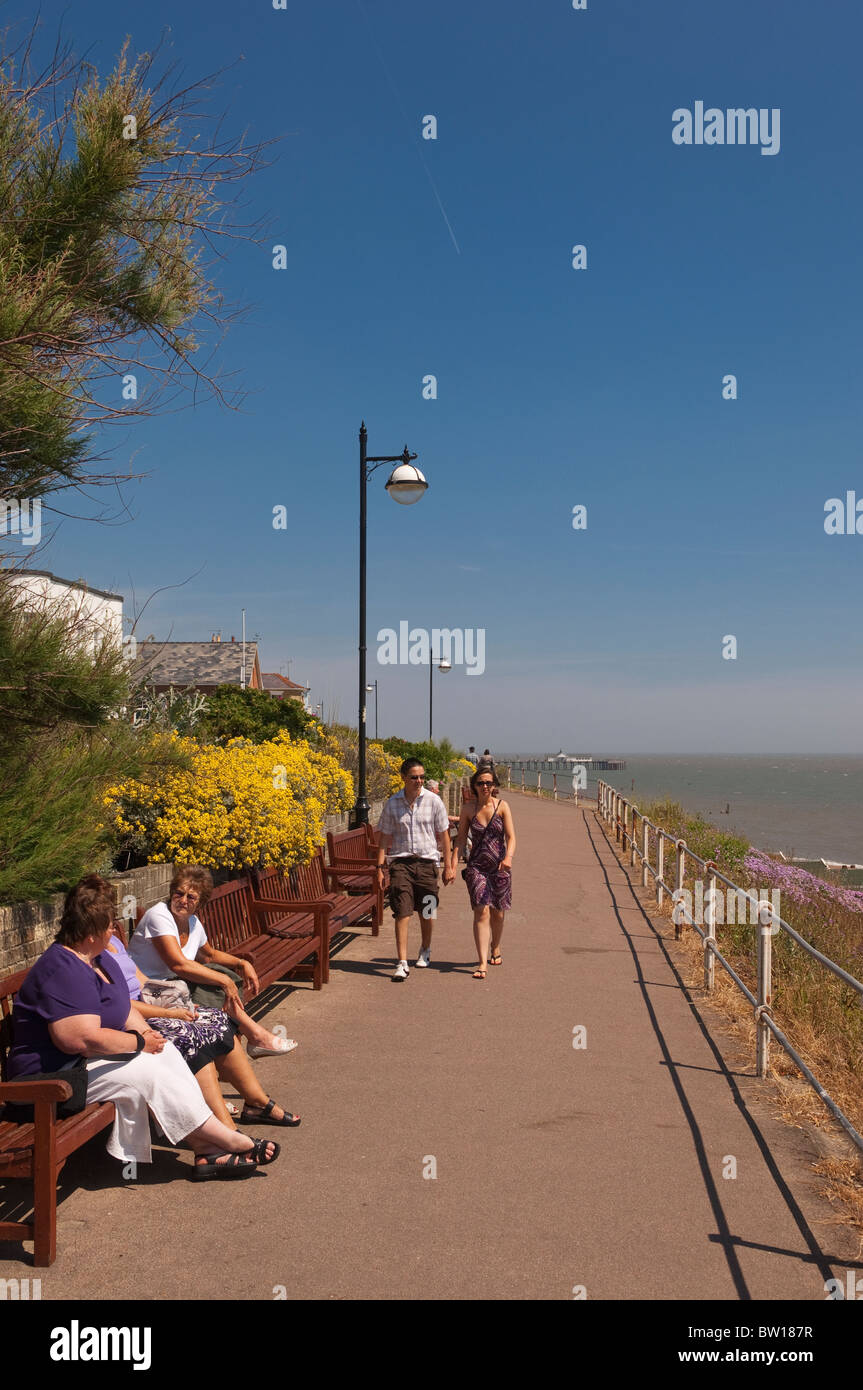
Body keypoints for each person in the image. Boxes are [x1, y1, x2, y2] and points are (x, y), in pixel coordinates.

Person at [7, 876, 280, 1179]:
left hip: (82, 1065)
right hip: (48, 1080)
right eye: (109, 924)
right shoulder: (62, 969)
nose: (114, 930)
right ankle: (226, 1139)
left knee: (166, 1054)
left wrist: (148, 1034)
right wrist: (138, 1044)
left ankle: (208, 1149)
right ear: (91, 931)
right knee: (145, 1073)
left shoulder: (100, 958)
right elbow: (78, 1039)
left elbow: (123, 1008)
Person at [106, 928, 300, 1128]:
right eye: (107, 924)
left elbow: (144, 983)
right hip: (133, 1021)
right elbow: (120, 1004)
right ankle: (222, 1125)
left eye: (112, 922)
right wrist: (171, 1014)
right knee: (192, 1035)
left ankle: (256, 1102)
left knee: (217, 1019)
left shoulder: (113, 941)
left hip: (152, 1007)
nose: (112, 928)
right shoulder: (94, 958)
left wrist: (176, 1002)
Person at [129, 866, 296, 1059]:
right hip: (150, 989)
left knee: (221, 978)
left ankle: (253, 1038)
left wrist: (242, 963)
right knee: (219, 985)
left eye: (191, 897)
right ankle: (255, 1037)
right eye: (179, 893)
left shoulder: (192, 921)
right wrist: (224, 981)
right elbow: (178, 964)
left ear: (200, 903)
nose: (183, 900)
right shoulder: (159, 915)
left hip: (174, 986)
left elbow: (208, 955)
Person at [376, 757, 454, 980]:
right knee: (402, 911)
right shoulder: (392, 804)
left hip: (428, 864)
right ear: (403, 778)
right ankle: (401, 962)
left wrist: (448, 866)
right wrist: (380, 867)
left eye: (421, 777)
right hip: (401, 864)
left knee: (428, 911)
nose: (419, 781)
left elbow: (445, 836)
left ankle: (425, 949)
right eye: (414, 777)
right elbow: (384, 837)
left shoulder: (434, 801)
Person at [454, 767, 516, 979]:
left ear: (494, 785)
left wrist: (508, 858)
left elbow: (511, 837)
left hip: (499, 867)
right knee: (482, 911)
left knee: (498, 912)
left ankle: (495, 947)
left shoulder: (502, 807)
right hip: (476, 868)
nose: (485, 787)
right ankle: (482, 963)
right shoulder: (468, 809)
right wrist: (452, 864)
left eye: (488, 783)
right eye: (480, 783)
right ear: (475, 786)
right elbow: (461, 838)